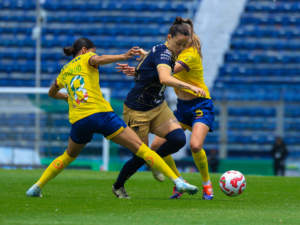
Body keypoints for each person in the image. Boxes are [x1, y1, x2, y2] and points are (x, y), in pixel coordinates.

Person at [26, 37, 199, 197]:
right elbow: (98, 60)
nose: (95, 55)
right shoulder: (87, 58)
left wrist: (67, 96)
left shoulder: (64, 71)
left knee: (68, 155)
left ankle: (37, 187)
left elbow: (51, 93)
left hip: (79, 120)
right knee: (141, 148)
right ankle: (178, 181)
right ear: (85, 50)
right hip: (100, 114)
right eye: (93, 51)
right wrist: (123, 56)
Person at [117, 18, 214, 200]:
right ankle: (178, 182)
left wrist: (146, 62)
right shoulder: (175, 50)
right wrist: (142, 67)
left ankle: (207, 185)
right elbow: (162, 62)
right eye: (179, 43)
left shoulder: (189, 54)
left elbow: (166, 72)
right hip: (183, 106)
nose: (181, 46)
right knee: (155, 146)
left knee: (195, 145)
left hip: (200, 104)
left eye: (184, 43)